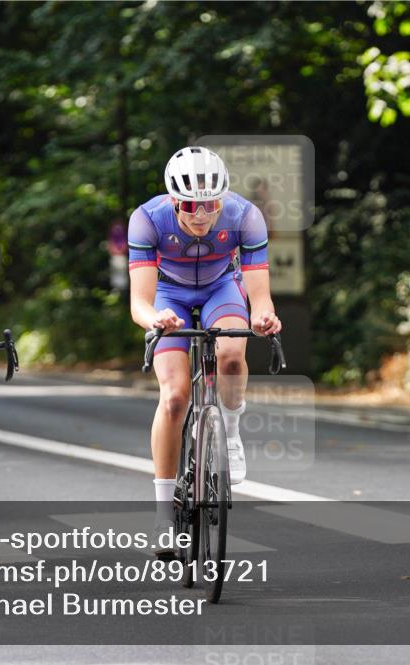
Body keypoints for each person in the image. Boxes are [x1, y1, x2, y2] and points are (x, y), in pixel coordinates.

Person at [128, 146, 282, 552]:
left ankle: (229, 431)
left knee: (231, 356)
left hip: (221, 288)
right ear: (173, 200)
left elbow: (260, 296)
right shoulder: (147, 219)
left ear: (223, 198)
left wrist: (264, 317)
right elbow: (139, 303)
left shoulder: (245, 216)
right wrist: (155, 319)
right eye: (189, 205)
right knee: (174, 397)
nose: (200, 215)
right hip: (168, 296)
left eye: (210, 204)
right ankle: (164, 515)